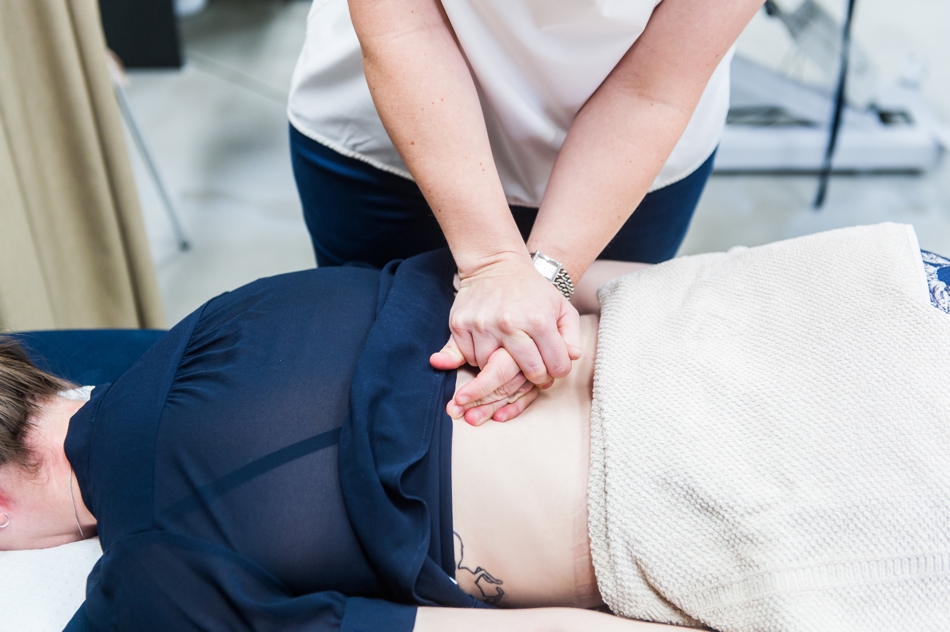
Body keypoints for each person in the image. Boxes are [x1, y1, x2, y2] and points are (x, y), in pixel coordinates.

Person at [2, 226, 949, 631]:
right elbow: (570, 288)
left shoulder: (149, 586)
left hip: (783, 501)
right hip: (812, 310)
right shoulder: (233, 313)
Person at [288, 0, 765, 398]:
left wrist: (541, 284)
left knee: (575, 400)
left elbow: (651, 89)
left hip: (630, 162)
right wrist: (493, 264)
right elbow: (404, 29)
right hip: (400, 133)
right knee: (364, 377)